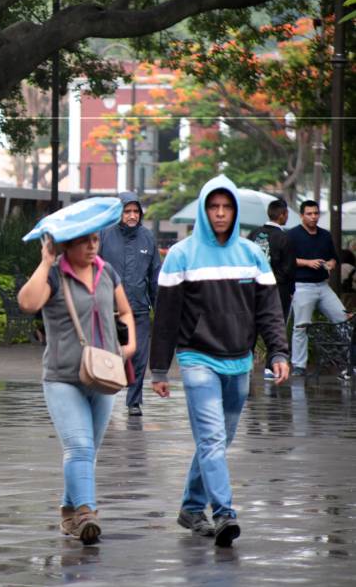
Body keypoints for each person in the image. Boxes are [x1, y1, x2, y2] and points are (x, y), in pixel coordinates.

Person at [150, 175, 290, 548]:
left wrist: (278, 351)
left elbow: (270, 311)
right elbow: (165, 316)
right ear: (204, 210)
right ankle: (224, 512)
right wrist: (159, 368)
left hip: (239, 360)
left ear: (235, 211)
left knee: (220, 439)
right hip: (197, 358)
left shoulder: (252, 255)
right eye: (214, 207)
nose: (220, 213)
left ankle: (192, 507)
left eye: (227, 207)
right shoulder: (181, 255)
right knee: (212, 437)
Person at [18, 228, 136, 545]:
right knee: (80, 448)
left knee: (87, 452)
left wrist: (130, 345)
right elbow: (27, 303)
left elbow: (125, 311)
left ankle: (69, 512)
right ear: (67, 244)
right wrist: (45, 262)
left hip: (104, 374)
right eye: (84, 240)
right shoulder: (55, 277)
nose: (91, 246)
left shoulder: (106, 271)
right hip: (63, 377)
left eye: (95, 239)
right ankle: (87, 514)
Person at [99, 191, 160, 417]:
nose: (132, 215)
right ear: (119, 213)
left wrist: (159, 308)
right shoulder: (104, 235)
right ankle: (103, 398)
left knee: (140, 356)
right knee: (109, 355)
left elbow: (155, 275)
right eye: (127, 211)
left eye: (136, 211)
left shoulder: (147, 237)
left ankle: (134, 401)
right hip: (109, 309)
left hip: (140, 309)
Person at [287, 200, 348, 376]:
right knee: (301, 326)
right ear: (301, 215)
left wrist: (330, 264)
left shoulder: (325, 235)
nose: (313, 217)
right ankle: (299, 365)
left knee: (344, 320)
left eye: (316, 213)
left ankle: (350, 362)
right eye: (309, 214)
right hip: (302, 286)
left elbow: (334, 258)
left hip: (323, 286)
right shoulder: (292, 235)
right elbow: (287, 259)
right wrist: (307, 262)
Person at [247, 199, 297, 379]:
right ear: (282, 215)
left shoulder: (253, 234)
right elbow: (289, 268)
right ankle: (271, 366)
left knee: (250, 325)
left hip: (251, 287)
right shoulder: (285, 238)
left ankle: (246, 363)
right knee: (275, 325)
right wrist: (289, 288)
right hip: (278, 290)